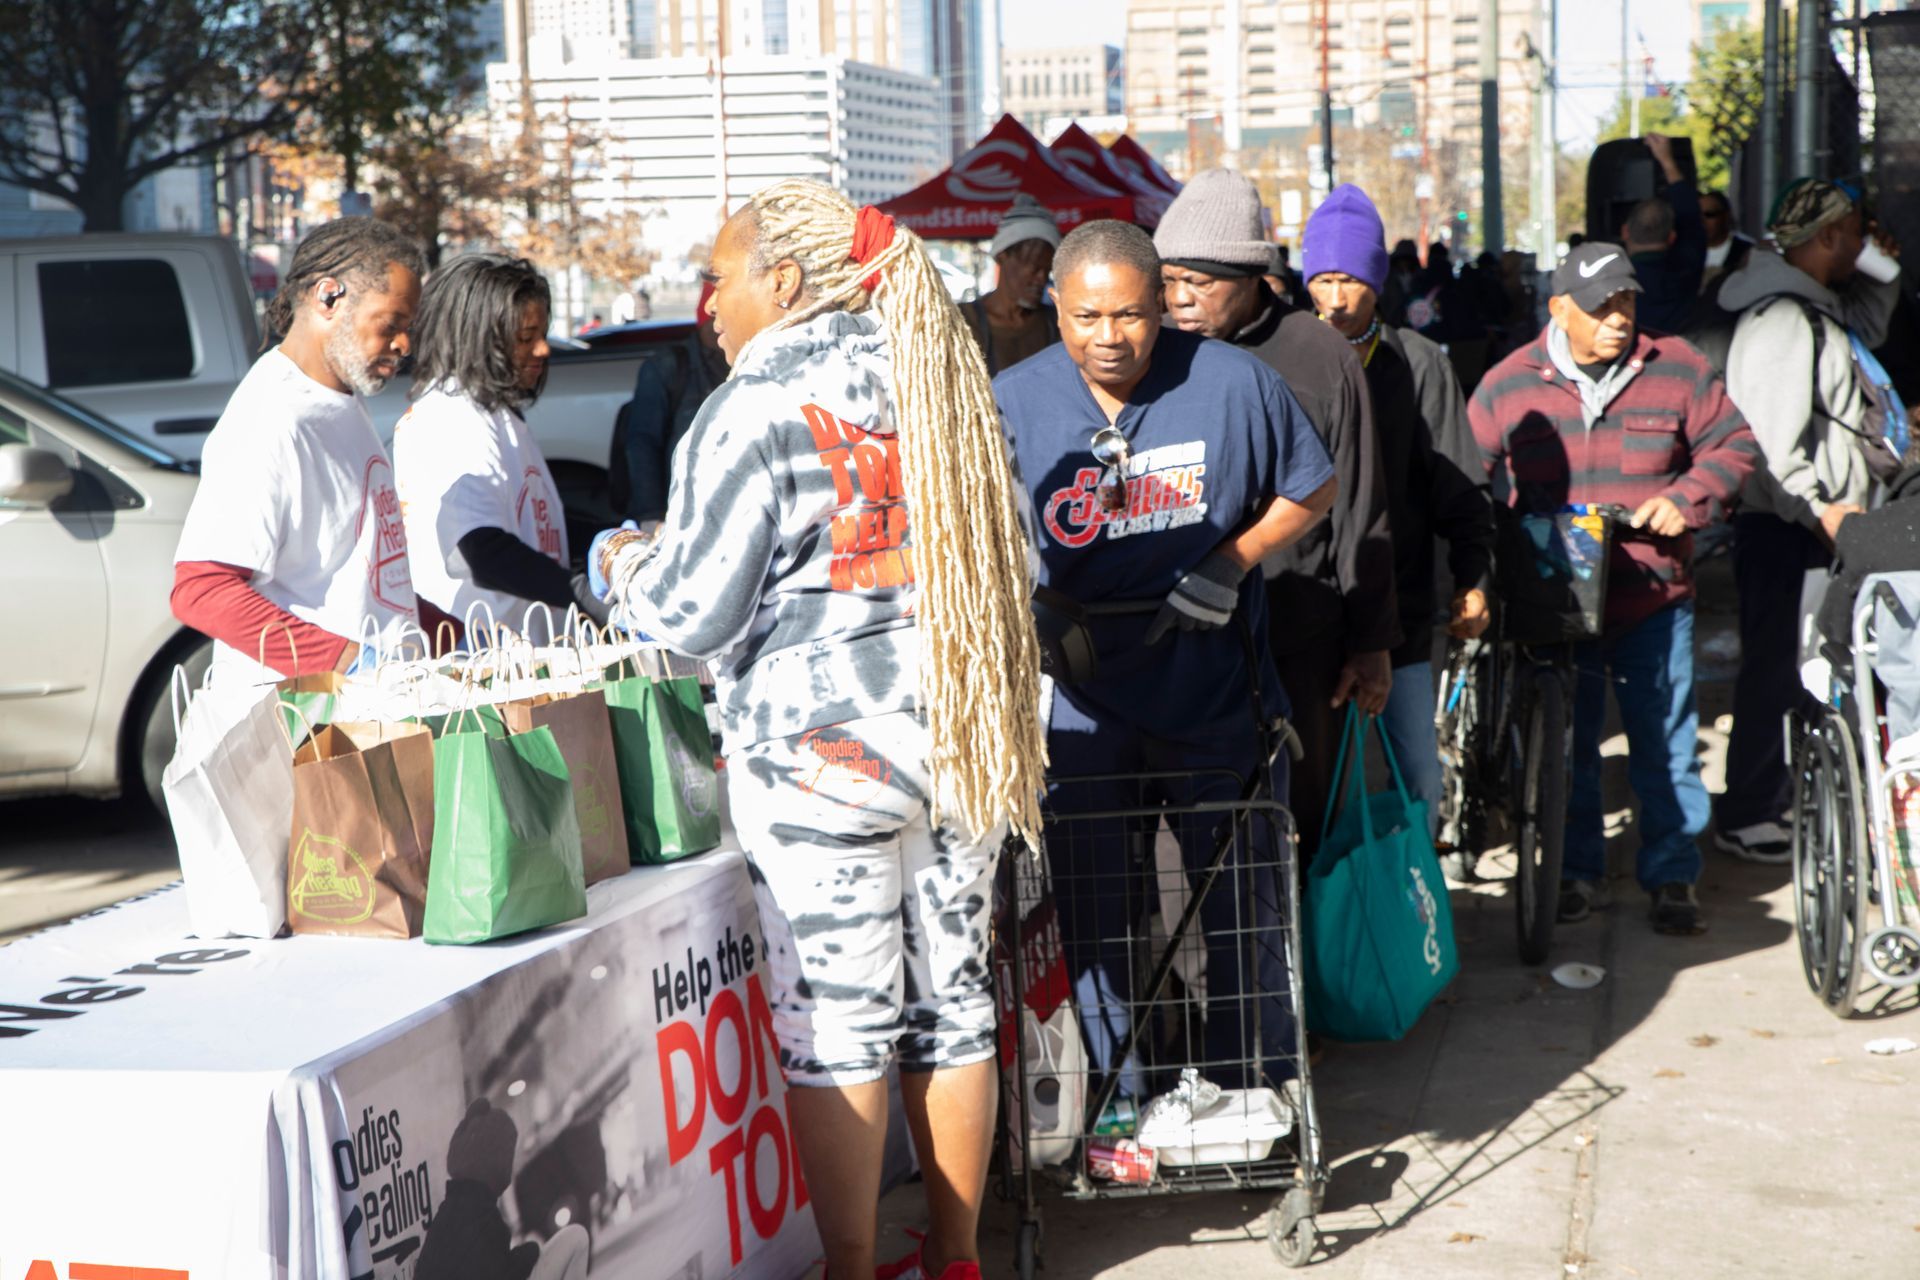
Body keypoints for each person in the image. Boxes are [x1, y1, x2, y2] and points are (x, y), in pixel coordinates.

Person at [589, 180, 1044, 1280]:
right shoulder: (947, 386)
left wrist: (619, 561)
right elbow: (1024, 564)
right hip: (961, 741)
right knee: (953, 1010)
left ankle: (849, 1267)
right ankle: (958, 1258)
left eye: (723, 274)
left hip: (821, 757)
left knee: (839, 1026)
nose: (707, 302)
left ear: (785, 281)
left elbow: (687, 617)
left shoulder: (749, 408)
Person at [994, 218, 1336, 1095]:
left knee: (1238, 903)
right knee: (1096, 918)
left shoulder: (1231, 381)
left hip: (1211, 683)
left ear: (1163, 305)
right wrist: (1023, 608)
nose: (1109, 337)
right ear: (1055, 308)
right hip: (1082, 698)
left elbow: (1313, 485)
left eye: (1132, 316)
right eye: (1087, 317)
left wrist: (1231, 560)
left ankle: (1250, 1090)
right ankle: (1118, 1104)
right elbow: (971, 534)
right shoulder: (1013, 399)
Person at [1469, 244, 1759, 935]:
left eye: (1627, 302)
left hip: (1653, 597)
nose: (1619, 319)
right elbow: (1464, 475)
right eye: (1601, 307)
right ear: (1559, 310)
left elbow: (1736, 446)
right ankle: (1575, 873)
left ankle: (1672, 875)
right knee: (1569, 745)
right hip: (1555, 603)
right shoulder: (1509, 385)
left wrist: (1687, 496)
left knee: (1665, 743)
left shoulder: (1677, 368)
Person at [1152, 167, 1397, 864]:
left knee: (1303, 816)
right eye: (1170, 281)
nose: (1180, 300)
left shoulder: (1318, 353)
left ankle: (1306, 968)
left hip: (1302, 635)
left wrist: (1371, 640)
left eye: (1199, 282)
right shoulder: (1161, 348)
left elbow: (1360, 504)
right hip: (1184, 636)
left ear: (1253, 274)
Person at [171, 217, 457, 698]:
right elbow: (201, 589)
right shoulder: (271, 418)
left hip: (375, 705)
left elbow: (360, 571)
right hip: (303, 729)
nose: (405, 344)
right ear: (329, 297)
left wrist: (453, 635)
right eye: (392, 324)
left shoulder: (339, 398)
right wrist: (346, 662)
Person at [1302, 183, 1497, 873]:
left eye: (1349, 279)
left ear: (1377, 283)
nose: (1334, 296)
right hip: (1307, 618)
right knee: (1320, 793)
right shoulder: (1286, 360)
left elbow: (1459, 487)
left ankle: (1416, 915)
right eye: (1320, 279)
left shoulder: (1419, 364)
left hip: (1405, 614)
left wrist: (1472, 577)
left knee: (1415, 773)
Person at [1716, 178, 1905, 863]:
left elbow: (1867, 331)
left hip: (1813, 527)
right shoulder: (1781, 320)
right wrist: (1821, 510)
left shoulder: (1815, 308)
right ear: (1826, 237)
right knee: (1775, 667)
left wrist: (1882, 269)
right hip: (1791, 527)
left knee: (1802, 665)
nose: (1863, 241)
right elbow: (1766, 444)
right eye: (1854, 231)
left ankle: (1773, 796)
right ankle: (1750, 811)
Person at [394, 254, 608, 640]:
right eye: (525, 338)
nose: (543, 350)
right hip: (483, 664)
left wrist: (610, 538)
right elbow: (481, 551)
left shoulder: (493, 413)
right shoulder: (451, 416)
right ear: (477, 339)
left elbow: (534, 527)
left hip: (523, 658)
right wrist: (582, 594)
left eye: (543, 334)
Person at [608, 277, 730, 523]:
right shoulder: (668, 365)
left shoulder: (741, 362)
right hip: (677, 516)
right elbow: (642, 442)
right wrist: (651, 515)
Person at [958, 193, 1062, 375]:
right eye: (1034, 268)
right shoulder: (964, 321)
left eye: (1047, 270)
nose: (1041, 279)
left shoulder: (1057, 323)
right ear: (1002, 256)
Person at [1620, 132, 1707, 335]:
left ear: (1625, 232)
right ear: (1672, 236)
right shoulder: (1686, 267)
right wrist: (1668, 162)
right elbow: (1691, 219)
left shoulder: (1614, 280)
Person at [1698, 190, 1756, 295]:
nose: (1702, 221)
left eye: (1709, 214)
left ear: (1726, 216)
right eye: (1697, 215)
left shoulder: (1748, 251)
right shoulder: (1682, 252)